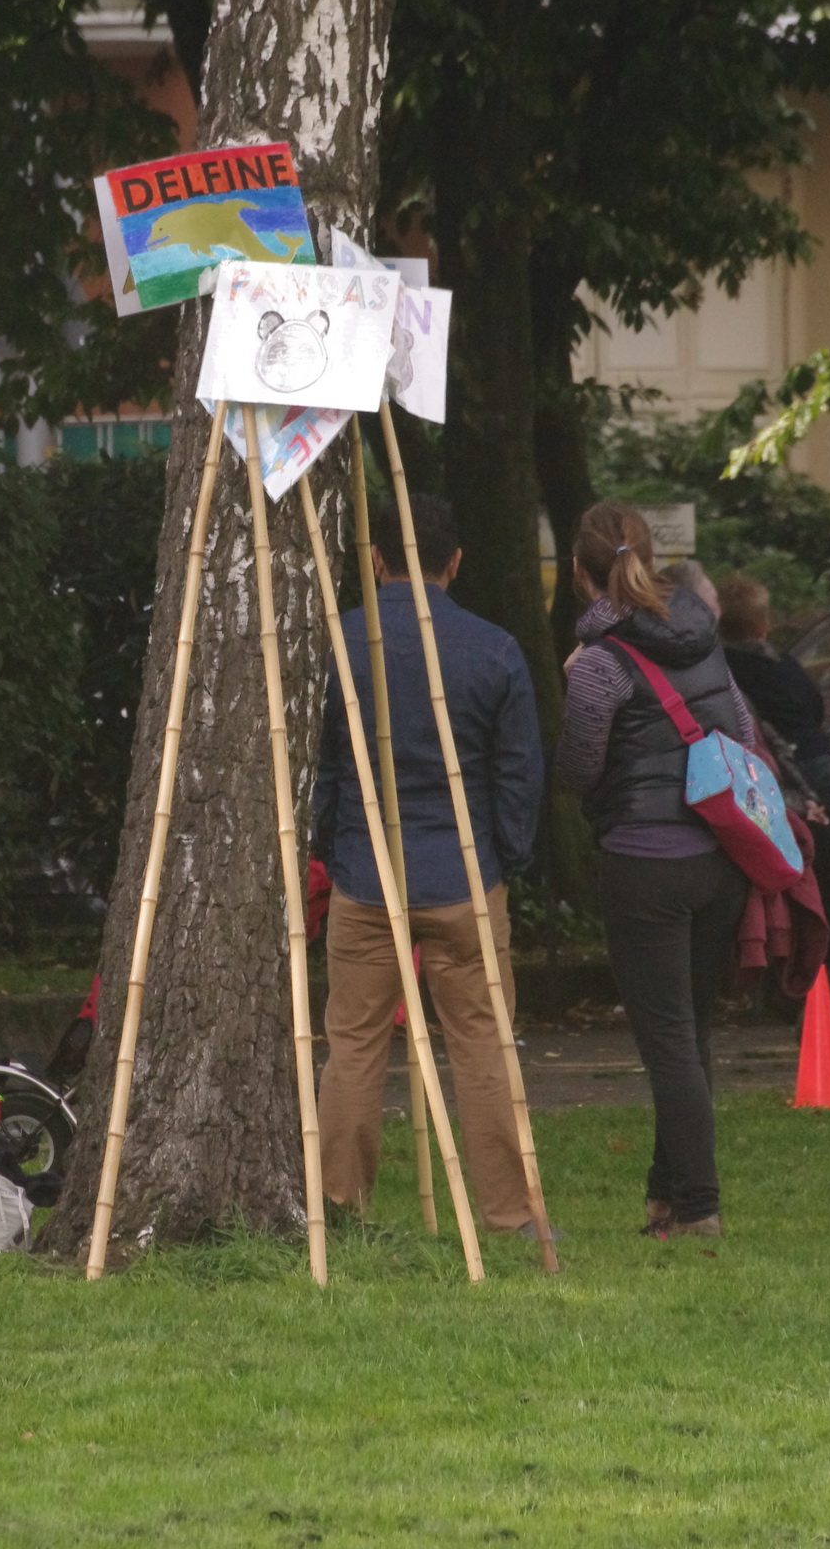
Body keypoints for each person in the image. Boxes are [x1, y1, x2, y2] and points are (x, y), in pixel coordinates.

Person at [311, 494, 544, 1231]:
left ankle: (339, 1207)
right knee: (482, 1046)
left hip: (365, 873)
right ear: (456, 562)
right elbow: (518, 775)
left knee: (353, 1046)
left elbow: (325, 768)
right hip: (464, 875)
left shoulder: (342, 642)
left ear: (376, 558)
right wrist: (504, 860)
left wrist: (331, 848)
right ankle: (509, 1213)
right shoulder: (494, 649)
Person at [556, 502, 756, 1240]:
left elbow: (579, 768)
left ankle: (699, 1206)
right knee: (690, 1032)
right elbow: (743, 732)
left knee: (668, 1043)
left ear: (578, 572)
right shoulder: (703, 638)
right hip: (718, 858)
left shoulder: (597, 665)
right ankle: (665, 1199)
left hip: (644, 864)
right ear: (648, 554)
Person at [717, 572, 830, 830]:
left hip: (775, 765)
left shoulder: (725, 669)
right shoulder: (782, 664)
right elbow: (814, 703)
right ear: (763, 625)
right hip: (813, 750)